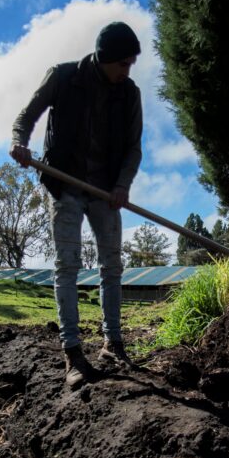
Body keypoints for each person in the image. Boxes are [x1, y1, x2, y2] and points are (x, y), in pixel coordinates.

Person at [10, 21, 143, 388]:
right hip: (64, 184)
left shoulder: (129, 94)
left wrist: (121, 185)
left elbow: (133, 147)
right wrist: (20, 141)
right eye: (123, 64)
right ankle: (72, 353)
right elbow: (27, 115)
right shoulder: (64, 77)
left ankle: (112, 343)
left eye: (131, 65)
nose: (127, 71)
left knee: (111, 267)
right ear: (105, 58)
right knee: (67, 266)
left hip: (104, 191)